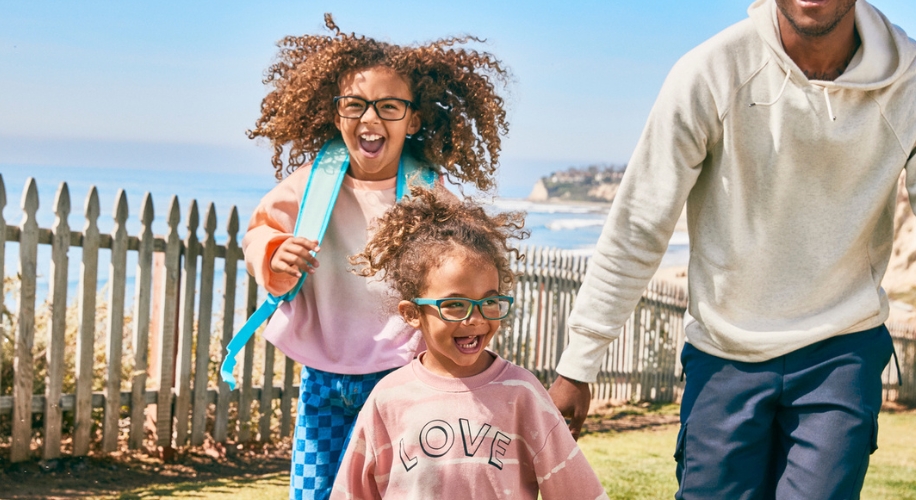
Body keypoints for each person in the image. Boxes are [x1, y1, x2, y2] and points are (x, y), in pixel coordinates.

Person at [548, 0, 916, 498]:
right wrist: (579, 361)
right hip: (724, 352)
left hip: (842, 349)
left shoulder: (908, 80)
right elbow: (639, 223)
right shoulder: (709, 71)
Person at [242, 15, 509, 500]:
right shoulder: (310, 182)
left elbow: (463, 266)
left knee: (393, 490)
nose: (370, 119)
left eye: (388, 106)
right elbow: (260, 233)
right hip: (323, 376)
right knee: (313, 490)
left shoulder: (431, 195)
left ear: (414, 119)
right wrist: (275, 256)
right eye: (356, 105)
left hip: (399, 372)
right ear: (336, 113)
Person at [329, 188, 609, 500]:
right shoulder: (388, 399)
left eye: (489, 301)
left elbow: (577, 490)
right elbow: (353, 492)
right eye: (455, 305)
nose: (475, 318)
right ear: (411, 313)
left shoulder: (522, 394)